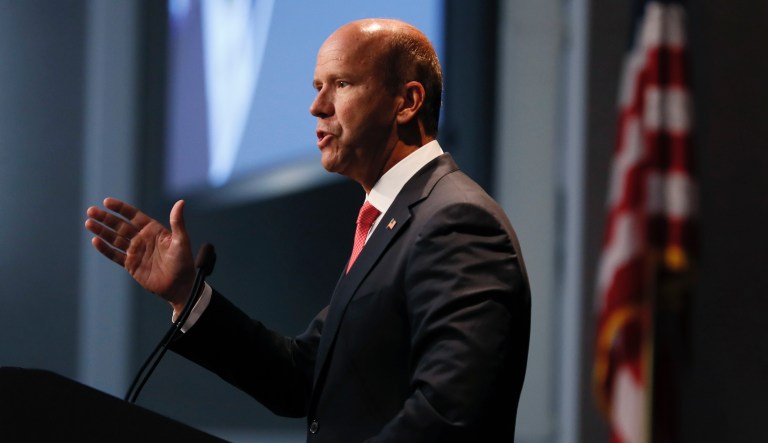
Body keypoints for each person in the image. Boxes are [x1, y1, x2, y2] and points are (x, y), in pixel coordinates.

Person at [85, 18, 531, 442]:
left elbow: (449, 417)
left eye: (341, 84)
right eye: (318, 87)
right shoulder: (392, 220)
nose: (317, 106)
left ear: (407, 101)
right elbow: (299, 376)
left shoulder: (457, 222)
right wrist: (186, 293)